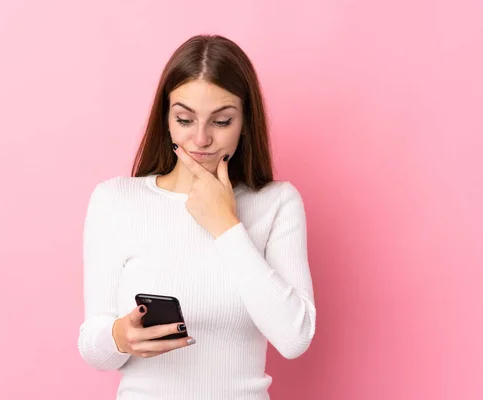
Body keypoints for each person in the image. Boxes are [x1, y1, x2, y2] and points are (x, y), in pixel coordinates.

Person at [77, 34, 316, 400]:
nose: (200, 139)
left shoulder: (277, 203)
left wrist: (226, 226)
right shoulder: (115, 200)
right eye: (185, 119)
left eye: (221, 122)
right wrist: (119, 337)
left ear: (245, 123)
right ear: (167, 119)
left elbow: (294, 337)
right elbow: (93, 347)